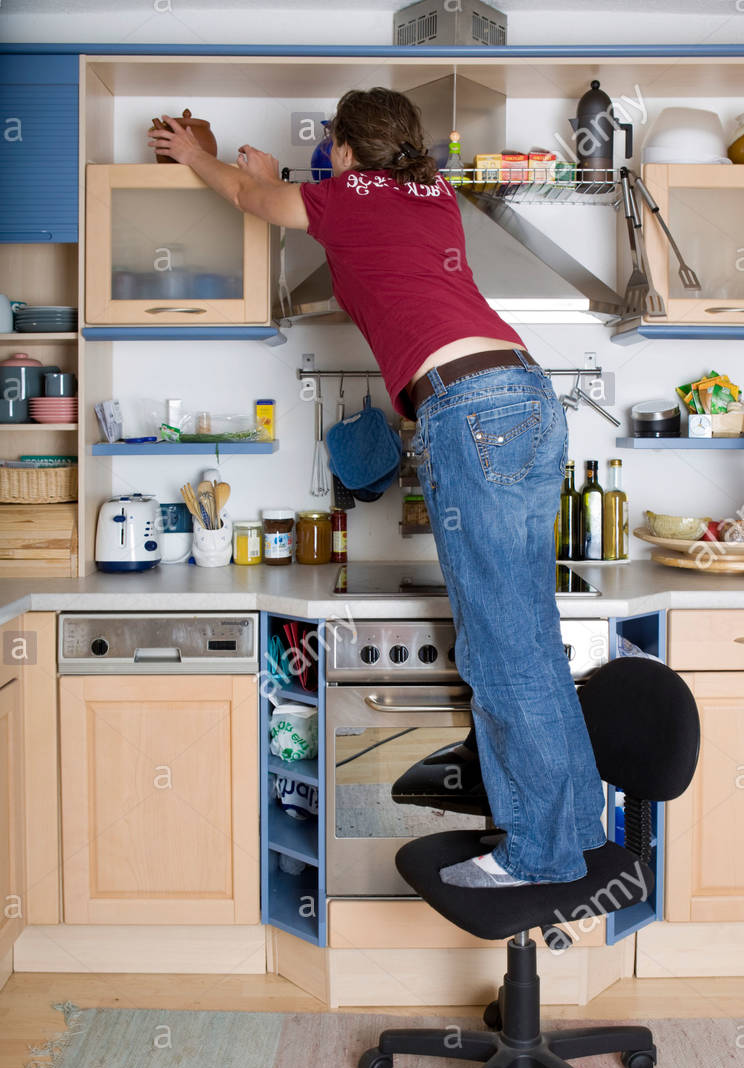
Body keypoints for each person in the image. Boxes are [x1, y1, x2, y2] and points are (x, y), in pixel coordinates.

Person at [149, 87, 607, 888]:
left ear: (347, 151)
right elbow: (322, 201)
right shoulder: (432, 194)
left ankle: (537, 857)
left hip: (469, 410)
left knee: (502, 655)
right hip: (531, 397)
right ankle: (575, 840)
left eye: (332, 144)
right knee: (530, 643)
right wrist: (283, 173)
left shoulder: (343, 196)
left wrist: (199, 157)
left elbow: (254, 199)